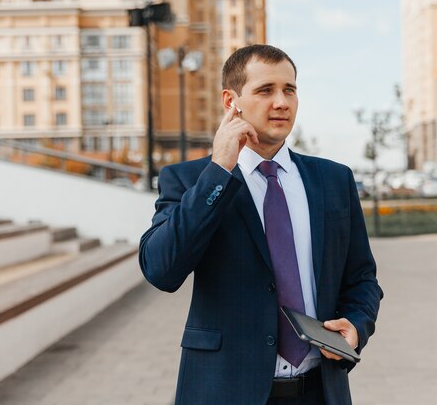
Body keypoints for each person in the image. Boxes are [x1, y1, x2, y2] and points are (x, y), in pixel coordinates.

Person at [139, 44, 383, 405]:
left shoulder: (334, 180)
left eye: (290, 90)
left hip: (319, 391)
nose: (282, 102)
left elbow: (362, 278)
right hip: (224, 391)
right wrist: (219, 171)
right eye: (265, 90)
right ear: (231, 101)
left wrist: (356, 325)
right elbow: (161, 269)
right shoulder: (191, 180)